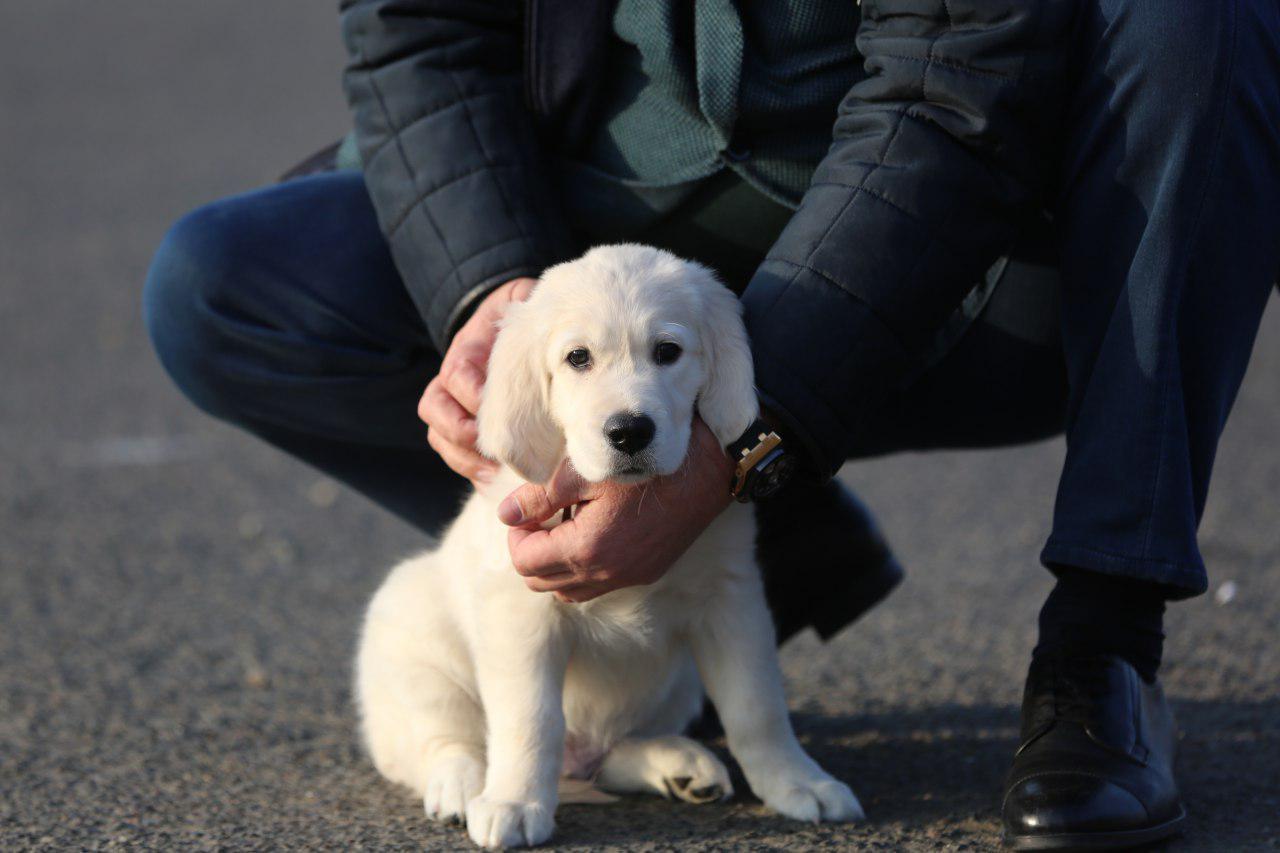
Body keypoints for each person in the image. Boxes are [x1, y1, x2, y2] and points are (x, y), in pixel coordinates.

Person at [143, 1, 1280, 848]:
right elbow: (417, 32)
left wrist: (744, 444)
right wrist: (493, 288)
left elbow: (952, 85)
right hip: (594, 206)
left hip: (959, 241)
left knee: (1199, 20)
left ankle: (1104, 638)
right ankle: (754, 543)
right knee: (223, 284)